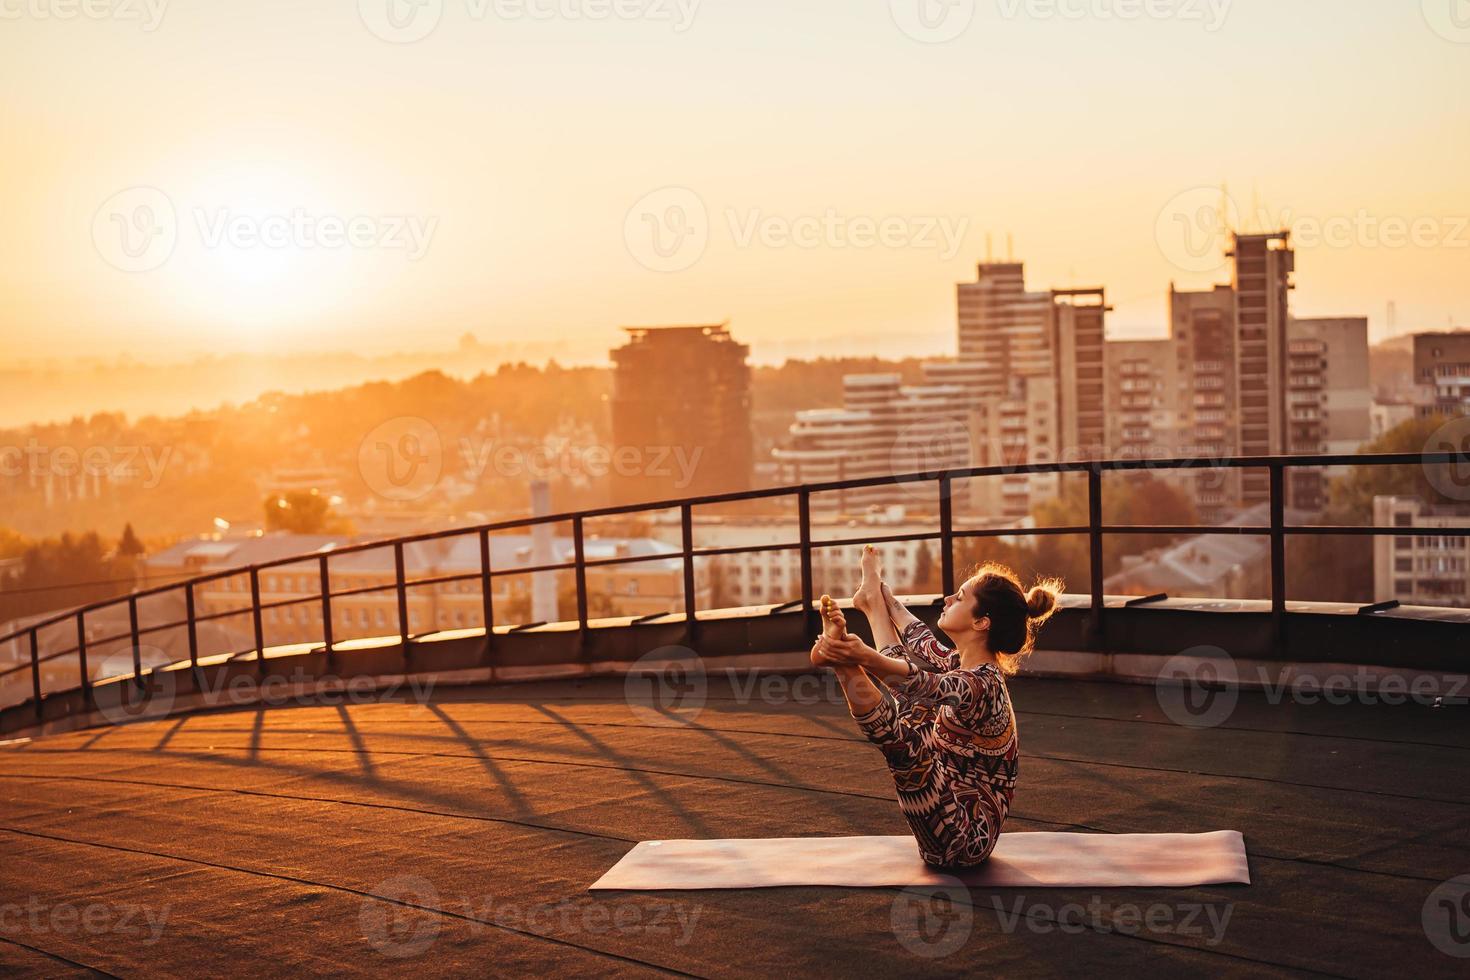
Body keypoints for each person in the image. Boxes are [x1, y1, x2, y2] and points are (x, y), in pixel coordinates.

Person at [812, 545, 1061, 868]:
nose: (948, 600)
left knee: (907, 741)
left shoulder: (984, 684)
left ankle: (843, 663)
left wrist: (859, 656)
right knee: (912, 705)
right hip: (945, 796)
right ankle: (867, 613)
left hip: (960, 842)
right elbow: (918, 638)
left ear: (982, 622)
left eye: (959, 597)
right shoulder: (964, 663)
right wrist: (880, 595)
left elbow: (922, 684)